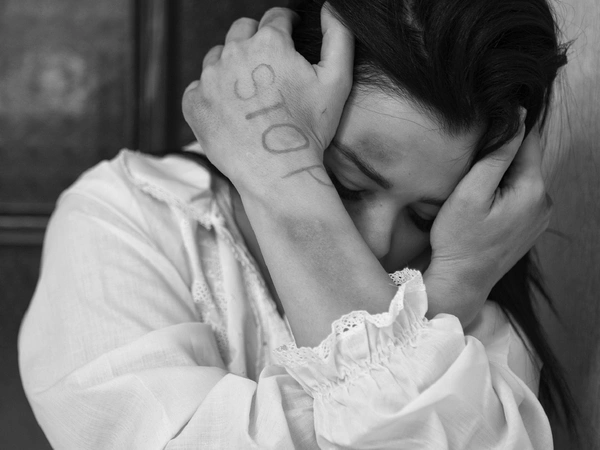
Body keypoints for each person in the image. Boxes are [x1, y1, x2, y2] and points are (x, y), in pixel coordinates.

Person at [19, 0, 575, 448]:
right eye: (345, 183)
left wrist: (455, 280)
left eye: (426, 216)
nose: (379, 241)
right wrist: (282, 181)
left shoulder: (472, 253)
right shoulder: (126, 216)